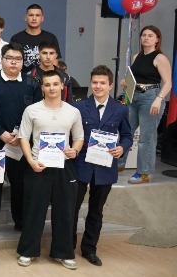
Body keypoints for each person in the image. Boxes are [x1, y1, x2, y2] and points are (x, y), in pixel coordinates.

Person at [17, 71, 84, 270]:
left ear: (62, 86)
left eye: (55, 84)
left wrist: (75, 150)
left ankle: (64, 253)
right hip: (38, 166)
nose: (52, 88)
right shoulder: (32, 110)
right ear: (42, 88)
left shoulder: (73, 111)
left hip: (64, 167)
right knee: (33, 211)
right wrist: (30, 161)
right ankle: (28, 251)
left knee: (65, 211)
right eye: (47, 85)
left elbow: (79, 138)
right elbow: (23, 137)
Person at [71, 65, 133, 266]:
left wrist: (122, 148)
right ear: (91, 83)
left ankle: (89, 249)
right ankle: (68, 246)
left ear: (110, 85)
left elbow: (127, 135)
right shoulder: (79, 107)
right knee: (72, 208)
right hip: (81, 164)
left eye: (102, 83)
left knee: (96, 211)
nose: (98, 86)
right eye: (95, 82)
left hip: (105, 167)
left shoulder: (120, 108)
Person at [0, 42, 41, 236]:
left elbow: (38, 113)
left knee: (20, 184)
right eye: (9, 59)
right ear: (2, 60)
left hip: (21, 142)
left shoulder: (32, 83)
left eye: (18, 59)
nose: (13, 63)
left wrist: (22, 134)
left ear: (23, 62)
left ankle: (20, 222)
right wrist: (0, 132)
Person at [117, 25, 172, 183]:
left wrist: (159, 99)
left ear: (157, 40)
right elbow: (135, 78)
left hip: (151, 97)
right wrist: (125, 81)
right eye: (144, 35)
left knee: (146, 138)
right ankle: (119, 164)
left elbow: (168, 83)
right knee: (126, 131)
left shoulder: (159, 58)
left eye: (150, 35)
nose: (146, 38)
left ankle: (143, 173)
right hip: (133, 96)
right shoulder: (137, 56)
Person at [10, 4, 61, 73]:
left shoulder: (50, 38)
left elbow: (54, 61)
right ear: (25, 18)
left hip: (45, 78)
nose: (34, 18)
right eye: (31, 15)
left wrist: (50, 76)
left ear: (42, 18)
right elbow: (13, 62)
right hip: (23, 77)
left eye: (37, 15)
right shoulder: (16, 39)